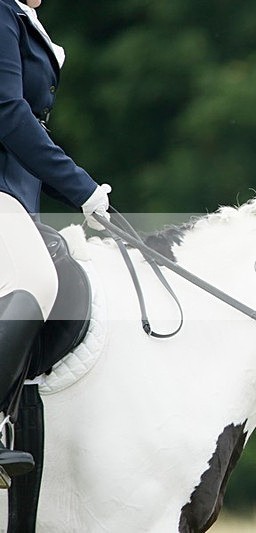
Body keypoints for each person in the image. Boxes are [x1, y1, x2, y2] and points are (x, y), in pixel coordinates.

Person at [0, 0, 110, 486]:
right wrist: (79, 186)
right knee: (36, 279)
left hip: (18, 192)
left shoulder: (19, 14)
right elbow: (7, 112)